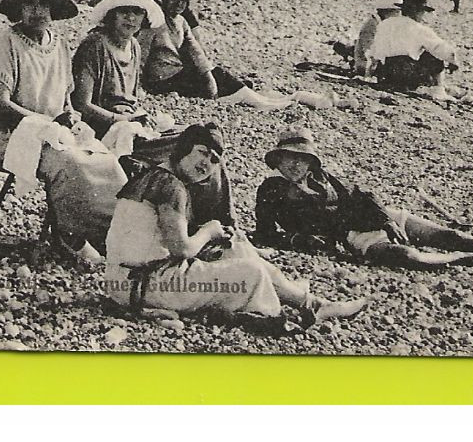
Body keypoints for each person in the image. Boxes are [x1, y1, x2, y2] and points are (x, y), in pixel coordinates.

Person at [103, 122, 368, 326]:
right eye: (202, 153)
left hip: (127, 281)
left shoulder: (156, 176)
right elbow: (181, 250)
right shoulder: (170, 186)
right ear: (183, 150)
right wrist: (209, 231)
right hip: (142, 286)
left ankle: (311, 303)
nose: (206, 164)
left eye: (214, 160)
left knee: (235, 251)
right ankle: (277, 312)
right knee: (250, 271)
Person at [255, 129, 473, 273]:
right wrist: (299, 238)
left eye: (301, 159)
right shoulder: (271, 190)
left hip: (372, 217)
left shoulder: (327, 179)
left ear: (312, 162)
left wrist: (387, 220)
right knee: (406, 256)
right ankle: (462, 261)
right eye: (287, 159)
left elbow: (365, 196)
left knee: (450, 235)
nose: (293, 165)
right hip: (350, 234)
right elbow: (265, 233)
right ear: (277, 162)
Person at [0, 0, 127, 258]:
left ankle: (114, 234)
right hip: (9, 135)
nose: (37, 11)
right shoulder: (6, 43)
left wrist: (70, 116)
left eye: (44, 4)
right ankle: (73, 234)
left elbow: (66, 100)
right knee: (71, 164)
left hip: (51, 132)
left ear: (54, 10)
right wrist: (48, 123)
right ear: (19, 10)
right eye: (29, 4)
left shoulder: (57, 44)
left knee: (105, 160)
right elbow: (0, 106)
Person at [143, 0, 294, 108]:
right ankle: (255, 101)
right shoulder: (155, 22)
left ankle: (260, 100)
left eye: (183, 0)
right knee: (213, 78)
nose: (179, 3)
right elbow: (141, 53)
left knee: (216, 74)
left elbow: (195, 50)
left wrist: (206, 71)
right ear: (165, 0)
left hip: (177, 72)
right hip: (160, 80)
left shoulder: (181, 22)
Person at [71, 0, 165, 140]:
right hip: (97, 128)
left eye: (137, 12)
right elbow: (82, 104)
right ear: (112, 14)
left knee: (189, 135)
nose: (131, 18)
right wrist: (124, 120)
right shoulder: (94, 45)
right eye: (124, 11)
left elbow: (131, 101)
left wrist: (139, 118)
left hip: (127, 121)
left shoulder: (135, 46)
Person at [364, 0, 460, 99]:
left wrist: (369, 74)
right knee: (433, 55)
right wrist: (453, 62)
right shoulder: (419, 29)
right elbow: (443, 49)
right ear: (417, 11)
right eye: (422, 12)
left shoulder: (385, 24)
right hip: (405, 74)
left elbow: (373, 52)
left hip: (384, 72)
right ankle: (439, 90)